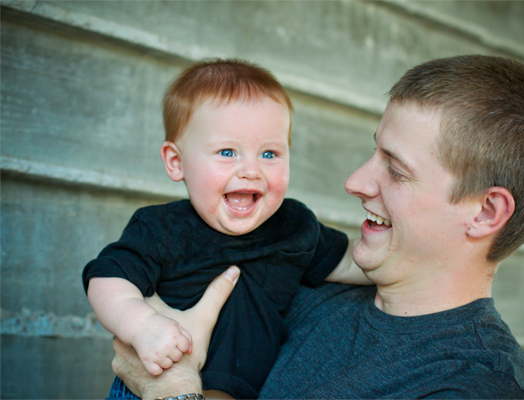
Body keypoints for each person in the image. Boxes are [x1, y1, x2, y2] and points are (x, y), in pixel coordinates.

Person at [111, 55, 524, 399]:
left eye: (395, 168)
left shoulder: (473, 384)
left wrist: (173, 391)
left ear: (485, 213)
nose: (354, 181)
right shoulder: (296, 286)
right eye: (374, 151)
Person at [83, 59, 370, 400]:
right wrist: (142, 325)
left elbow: (352, 261)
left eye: (269, 153)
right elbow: (106, 278)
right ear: (177, 162)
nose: (251, 170)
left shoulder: (295, 226)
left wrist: (410, 252)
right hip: (153, 385)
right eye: (227, 152)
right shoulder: (162, 229)